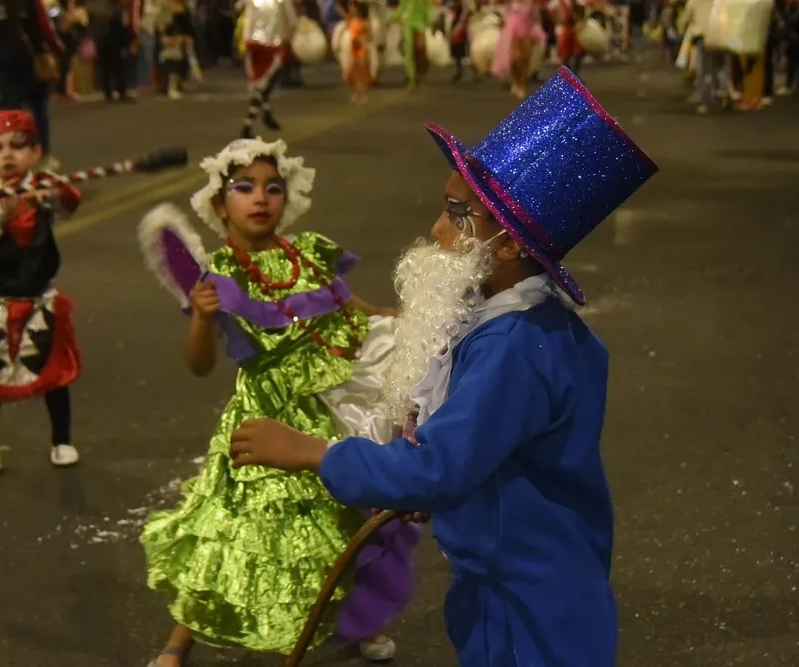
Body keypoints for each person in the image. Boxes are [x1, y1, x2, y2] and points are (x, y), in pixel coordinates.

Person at [228, 67, 659, 667]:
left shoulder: (514, 345)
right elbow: (488, 451)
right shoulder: (524, 325)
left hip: (529, 599)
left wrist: (314, 452)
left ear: (508, 244)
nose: (435, 230)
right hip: (518, 578)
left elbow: (439, 466)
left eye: (458, 214)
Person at [139, 137, 418, 667]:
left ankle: (361, 624)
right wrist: (200, 317)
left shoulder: (307, 251)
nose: (260, 198)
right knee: (231, 528)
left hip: (334, 400)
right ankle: (179, 642)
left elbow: (342, 303)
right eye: (244, 188)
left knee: (348, 514)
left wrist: (386, 315)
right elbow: (199, 365)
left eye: (272, 188)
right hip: (266, 414)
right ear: (221, 206)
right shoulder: (219, 276)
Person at [0, 110, 82, 472]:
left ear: (35, 151)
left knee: (55, 373)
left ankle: (62, 440)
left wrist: (53, 189)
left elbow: (71, 201)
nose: (8, 156)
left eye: (18, 146)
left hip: (39, 296)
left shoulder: (42, 185)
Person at [0, 0, 65, 171]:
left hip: (4, 63)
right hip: (28, 60)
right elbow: (44, 28)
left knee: (12, 111)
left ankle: (15, 159)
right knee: (38, 109)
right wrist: (57, 50)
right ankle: (43, 156)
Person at [237, 0, 297, 137]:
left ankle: (266, 111)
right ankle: (248, 123)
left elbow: (244, 15)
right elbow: (292, 21)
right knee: (267, 83)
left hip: (252, 43)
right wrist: (290, 36)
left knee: (258, 81)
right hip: (272, 44)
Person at [492, 0, 545, 98]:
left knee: (524, 58)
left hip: (527, 27)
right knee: (513, 58)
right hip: (512, 27)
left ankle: (523, 84)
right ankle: (516, 82)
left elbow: (536, 13)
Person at [346, 1, 374, 104]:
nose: (351, 9)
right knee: (350, 74)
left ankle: (362, 94)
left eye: (353, 7)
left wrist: (362, 39)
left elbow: (370, 36)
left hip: (361, 50)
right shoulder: (351, 21)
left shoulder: (364, 23)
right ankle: (356, 92)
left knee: (362, 74)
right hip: (353, 50)